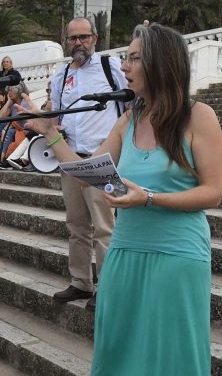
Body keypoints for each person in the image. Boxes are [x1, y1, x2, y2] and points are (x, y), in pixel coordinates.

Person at [23, 22, 222, 376]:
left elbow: (213, 192)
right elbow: (88, 174)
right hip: (124, 252)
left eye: (133, 58)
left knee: (170, 354)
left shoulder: (199, 116)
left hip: (177, 255)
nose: (123, 67)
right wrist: (52, 134)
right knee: (118, 349)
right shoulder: (129, 120)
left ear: (160, 62)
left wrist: (148, 198)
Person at [46, 17, 128, 310]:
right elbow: (56, 114)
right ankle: (81, 282)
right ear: (66, 41)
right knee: (76, 224)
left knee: (104, 227)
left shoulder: (112, 67)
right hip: (70, 158)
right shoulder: (61, 75)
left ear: (95, 38)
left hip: (103, 159)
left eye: (83, 37)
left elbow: (132, 105)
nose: (78, 43)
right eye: (72, 38)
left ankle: (108, 288)